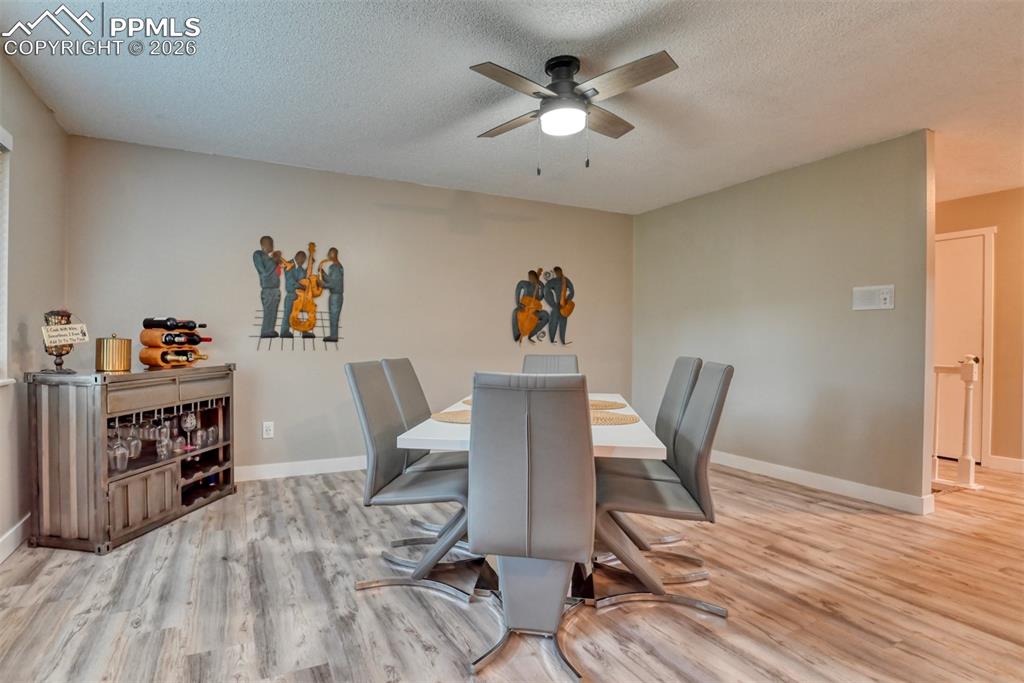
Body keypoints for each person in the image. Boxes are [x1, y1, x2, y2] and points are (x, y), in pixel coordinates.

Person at [253, 235, 282, 338]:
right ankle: (266, 331)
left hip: (275, 288)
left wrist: (276, 261)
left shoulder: (270, 258)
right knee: (269, 311)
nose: (272, 245)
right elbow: (264, 273)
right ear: (263, 244)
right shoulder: (258, 254)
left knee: (273, 311)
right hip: (268, 289)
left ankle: (270, 330)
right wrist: (274, 261)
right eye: (270, 243)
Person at [280, 250, 314, 339]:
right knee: (288, 313)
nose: (303, 261)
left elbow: (304, 277)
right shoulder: (289, 264)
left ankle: (304, 331)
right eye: (302, 259)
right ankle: (284, 332)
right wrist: (302, 286)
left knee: (301, 314)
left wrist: (311, 264)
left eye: (304, 260)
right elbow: (291, 281)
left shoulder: (300, 267)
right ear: (298, 256)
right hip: (292, 294)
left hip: (301, 295)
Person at [512, 270, 548, 343]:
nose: (531, 279)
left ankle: (532, 333)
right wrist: (519, 304)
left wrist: (539, 285)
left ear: (536, 277)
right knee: (515, 311)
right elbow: (517, 293)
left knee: (546, 315)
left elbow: (541, 297)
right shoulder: (524, 283)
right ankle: (516, 333)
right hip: (524, 307)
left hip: (534, 309)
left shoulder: (539, 285)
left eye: (533, 278)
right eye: (530, 278)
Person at [544, 265, 574, 345]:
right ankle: (552, 339)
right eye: (556, 272)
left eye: (559, 272)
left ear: (561, 271)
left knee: (563, 323)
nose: (558, 274)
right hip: (556, 305)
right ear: (555, 273)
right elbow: (546, 290)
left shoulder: (566, 280)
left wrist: (567, 300)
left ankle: (563, 340)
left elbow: (572, 291)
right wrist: (552, 303)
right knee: (553, 322)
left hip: (564, 305)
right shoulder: (553, 281)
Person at [320, 247, 344, 342]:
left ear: (333, 254)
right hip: (335, 295)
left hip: (336, 295)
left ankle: (334, 336)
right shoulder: (335, 266)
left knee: (334, 316)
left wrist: (322, 284)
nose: (328, 256)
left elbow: (333, 284)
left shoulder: (335, 267)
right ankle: (333, 335)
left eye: (329, 253)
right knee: (333, 316)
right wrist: (322, 273)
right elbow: (332, 280)